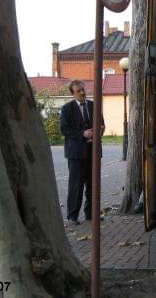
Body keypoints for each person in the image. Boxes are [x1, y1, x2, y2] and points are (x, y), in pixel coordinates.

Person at [60, 79, 104, 225]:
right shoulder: (67, 109)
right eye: (78, 91)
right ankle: (72, 216)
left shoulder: (93, 106)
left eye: (83, 90)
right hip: (76, 154)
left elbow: (102, 123)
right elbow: (64, 129)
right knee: (76, 186)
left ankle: (91, 214)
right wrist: (82, 134)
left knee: (93, 185)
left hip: (93, 152)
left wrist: (100, 130)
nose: (82, 93)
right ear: (73, 93)